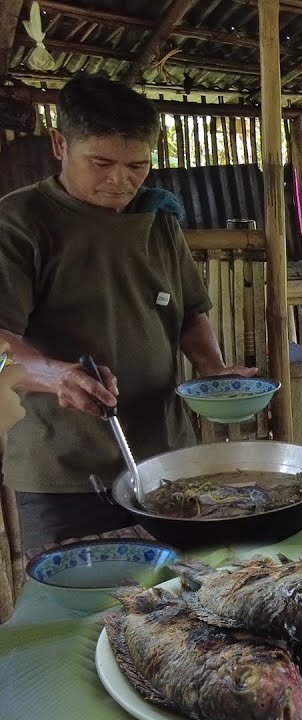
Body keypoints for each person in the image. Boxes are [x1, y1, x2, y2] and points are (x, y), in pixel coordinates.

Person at [0, 76, 254, 552]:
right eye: (101, 162)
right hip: (67, 472)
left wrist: (212, 369)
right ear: (60, 144)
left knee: (176, 601)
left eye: (138, 165)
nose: (121, 179)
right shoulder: (19, 223)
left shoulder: (157, 218)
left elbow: (189, 311)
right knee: (81, 617)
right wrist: (58, 377)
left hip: (165, 457)